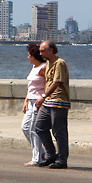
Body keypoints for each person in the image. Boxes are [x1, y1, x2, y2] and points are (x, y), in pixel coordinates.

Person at [34, 41, 70, 169]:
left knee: (59, 131)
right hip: (48, 101)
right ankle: (50, 155)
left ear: (51, 51)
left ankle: (62, 159)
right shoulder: (48, 63)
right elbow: (48, 82)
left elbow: (56, 82)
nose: (40, 53)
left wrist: (42, 97)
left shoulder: (59, 63)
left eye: (43, 51)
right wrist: (43, 97)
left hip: (59, 101)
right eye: (40, 51)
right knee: (39, 126)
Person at [20, 43, 46, 166]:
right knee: (25, 127)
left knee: (34, 130)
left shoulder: (43, 68)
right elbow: (30, 87)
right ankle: (41, 152)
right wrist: (26, 101)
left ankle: (36, 158)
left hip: (38, 102)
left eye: (29, 55)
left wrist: (42, 98)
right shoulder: (34, 67)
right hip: (30, 101)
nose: (28, 57)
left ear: (34, 55)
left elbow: (48, 84)